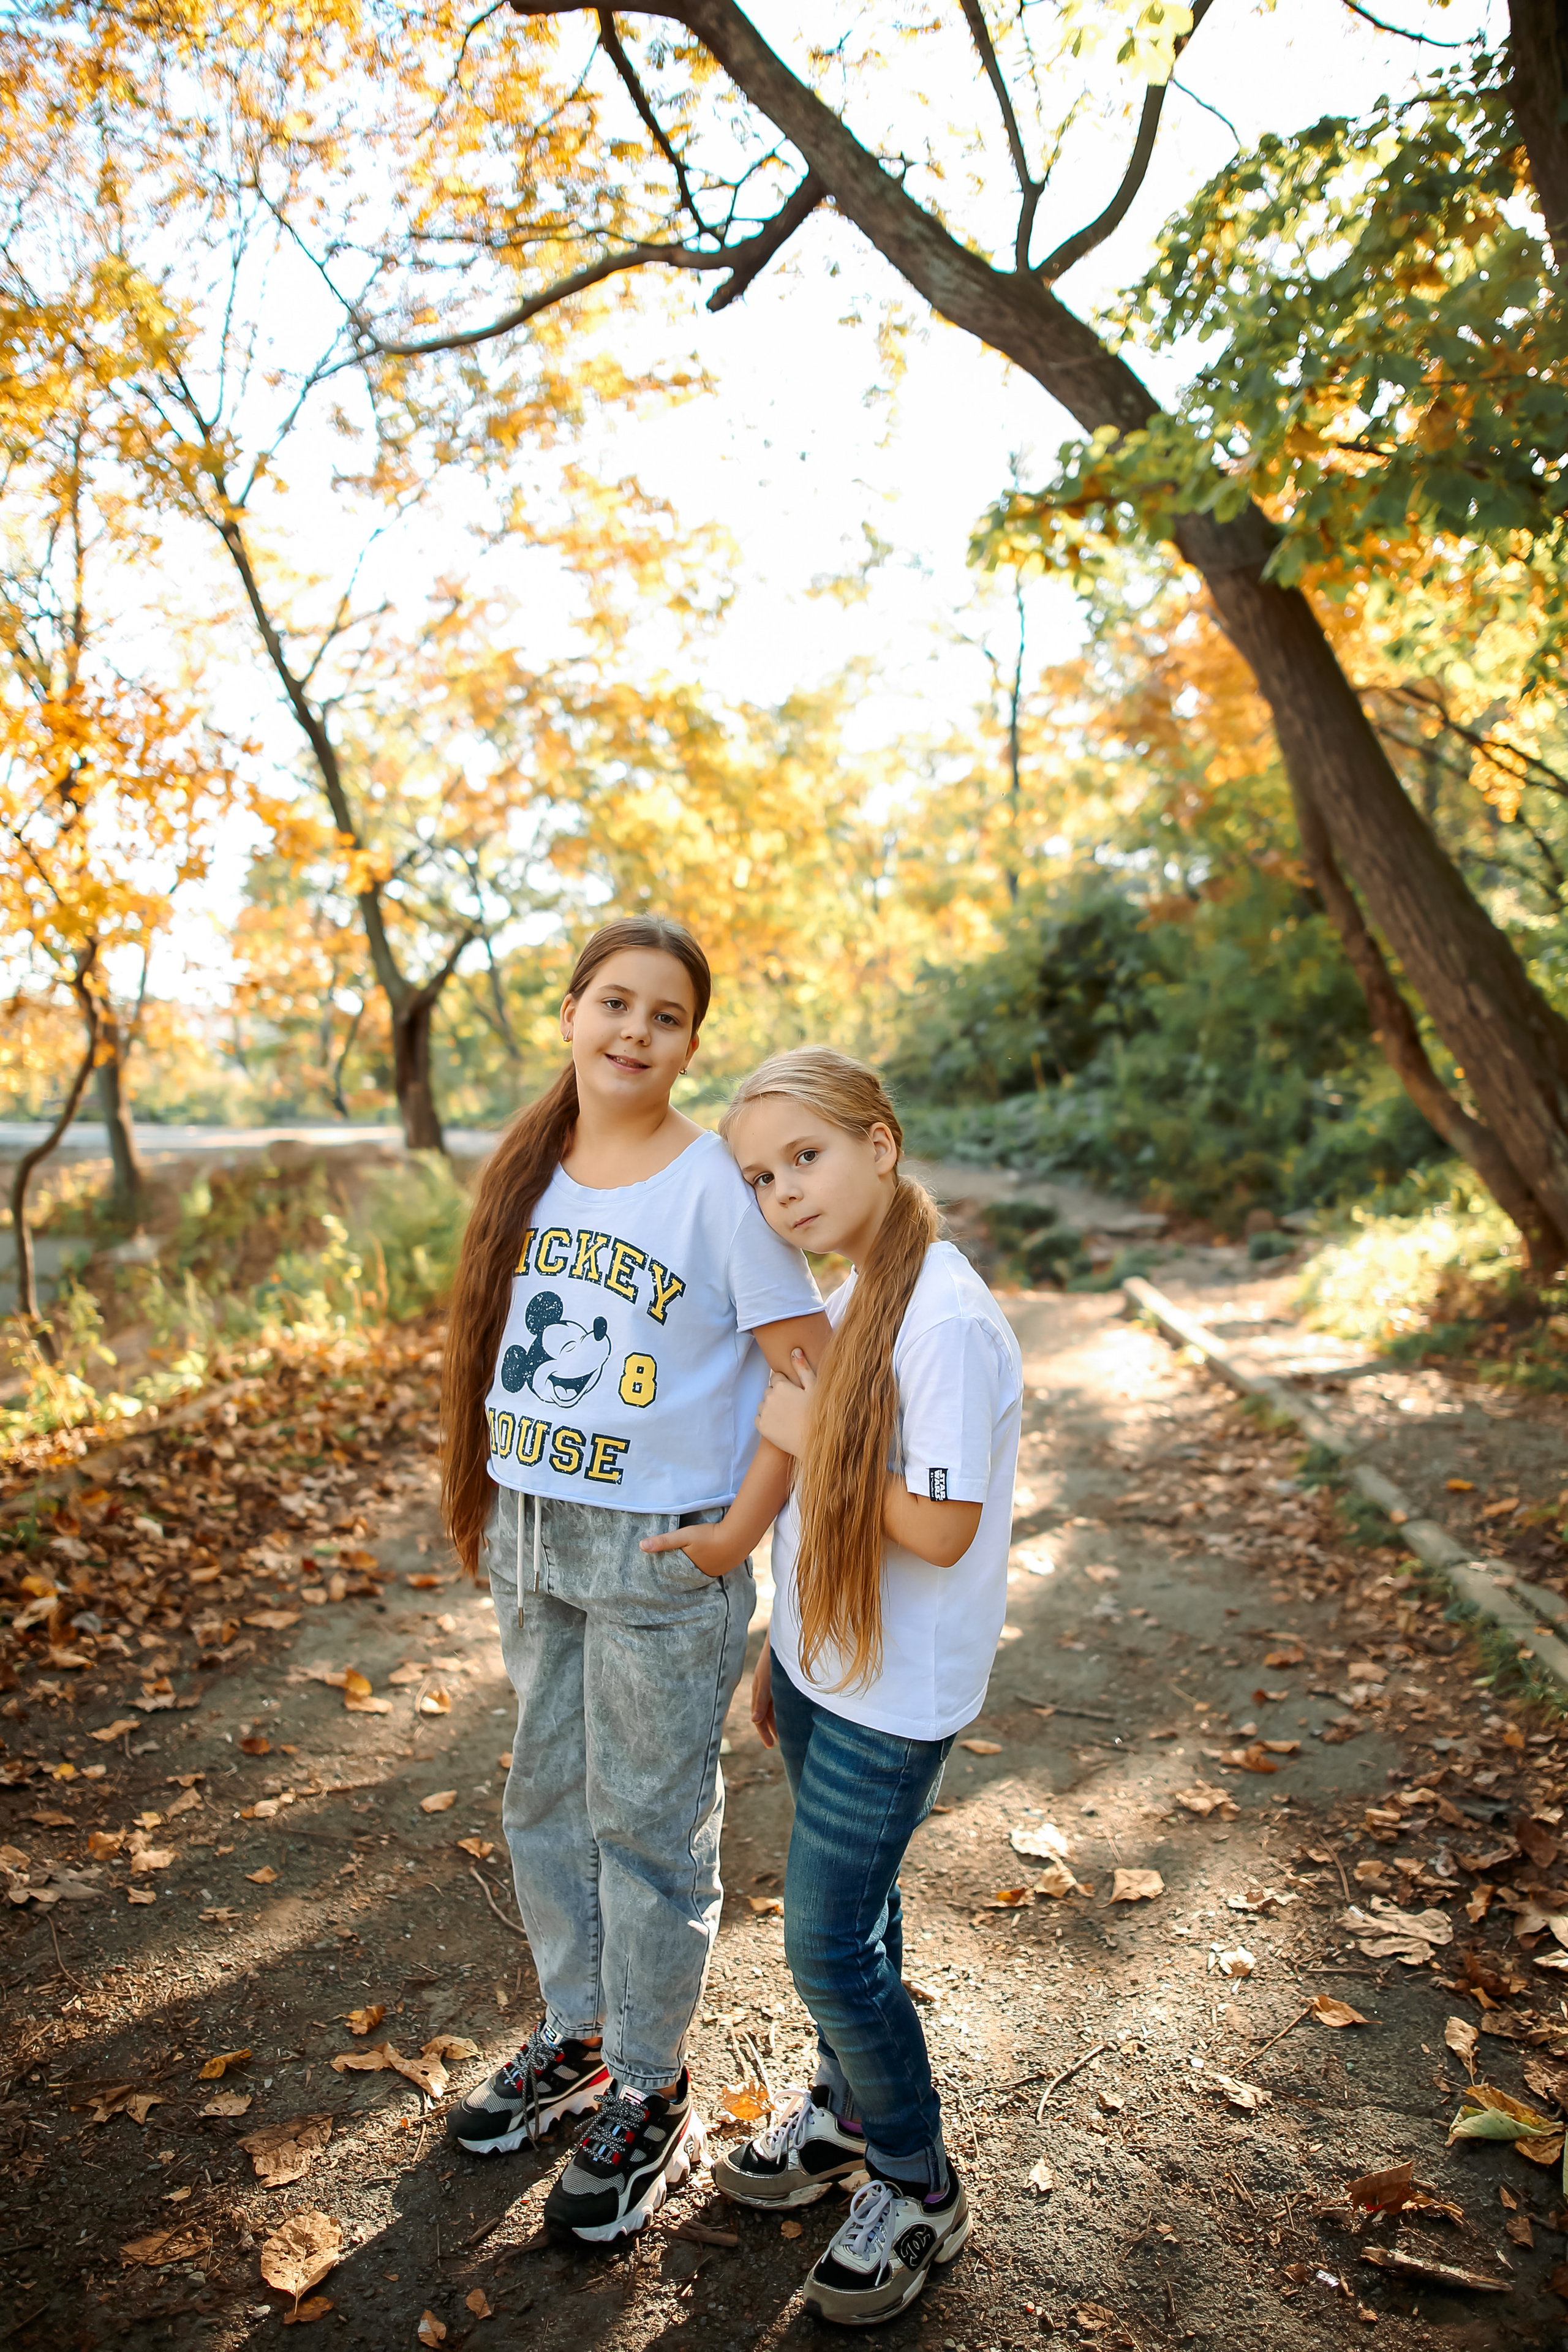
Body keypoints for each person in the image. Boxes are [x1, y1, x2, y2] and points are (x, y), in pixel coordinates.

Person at [440, 918, 829, 2245]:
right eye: (614, 1003)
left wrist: (740, 1541)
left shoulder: (717, 1184)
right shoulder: (529, 1169)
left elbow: (808, 1370)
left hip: (662, 1547)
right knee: (544, 1794)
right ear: (570, 1013)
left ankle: (651, 2088)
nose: (633, 1032)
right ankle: (578, 2036)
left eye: (665, 1017)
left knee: (648, 1823)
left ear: (688, 1045)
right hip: (534, 1532)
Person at [646, 1046, 1022, 2326]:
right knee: (855, 1921)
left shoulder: (946, 1317)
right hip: (825, 1665)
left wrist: (809, 1445)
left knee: (820, 1940)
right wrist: (781, 1649)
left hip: (894, 1691)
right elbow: (819, 1518)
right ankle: (850, 2111)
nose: (781, 1194)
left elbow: (938, 1528)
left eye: (803, 1158)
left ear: (881, 1143)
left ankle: (917, 2183)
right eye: (758, 1177)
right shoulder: (859, 1285)